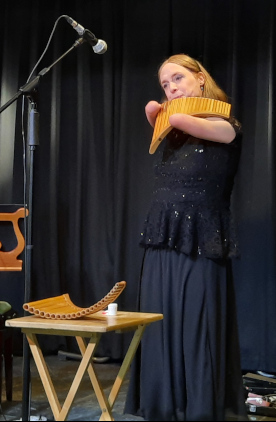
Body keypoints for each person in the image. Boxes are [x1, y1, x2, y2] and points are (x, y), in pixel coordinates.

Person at [124, 54, 248, 421]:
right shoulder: (173, 129)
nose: (171, 88)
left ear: (201, 81)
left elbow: (172, 116)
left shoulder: (228, 125)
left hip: (201, 237)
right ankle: (163, 406)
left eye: (178, 79)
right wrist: (159, 106)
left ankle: (199, 410)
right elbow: (153, 111)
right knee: (158, 324)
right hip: (164, 233)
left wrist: (170, 110)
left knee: (198, 328)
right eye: (165, 84)